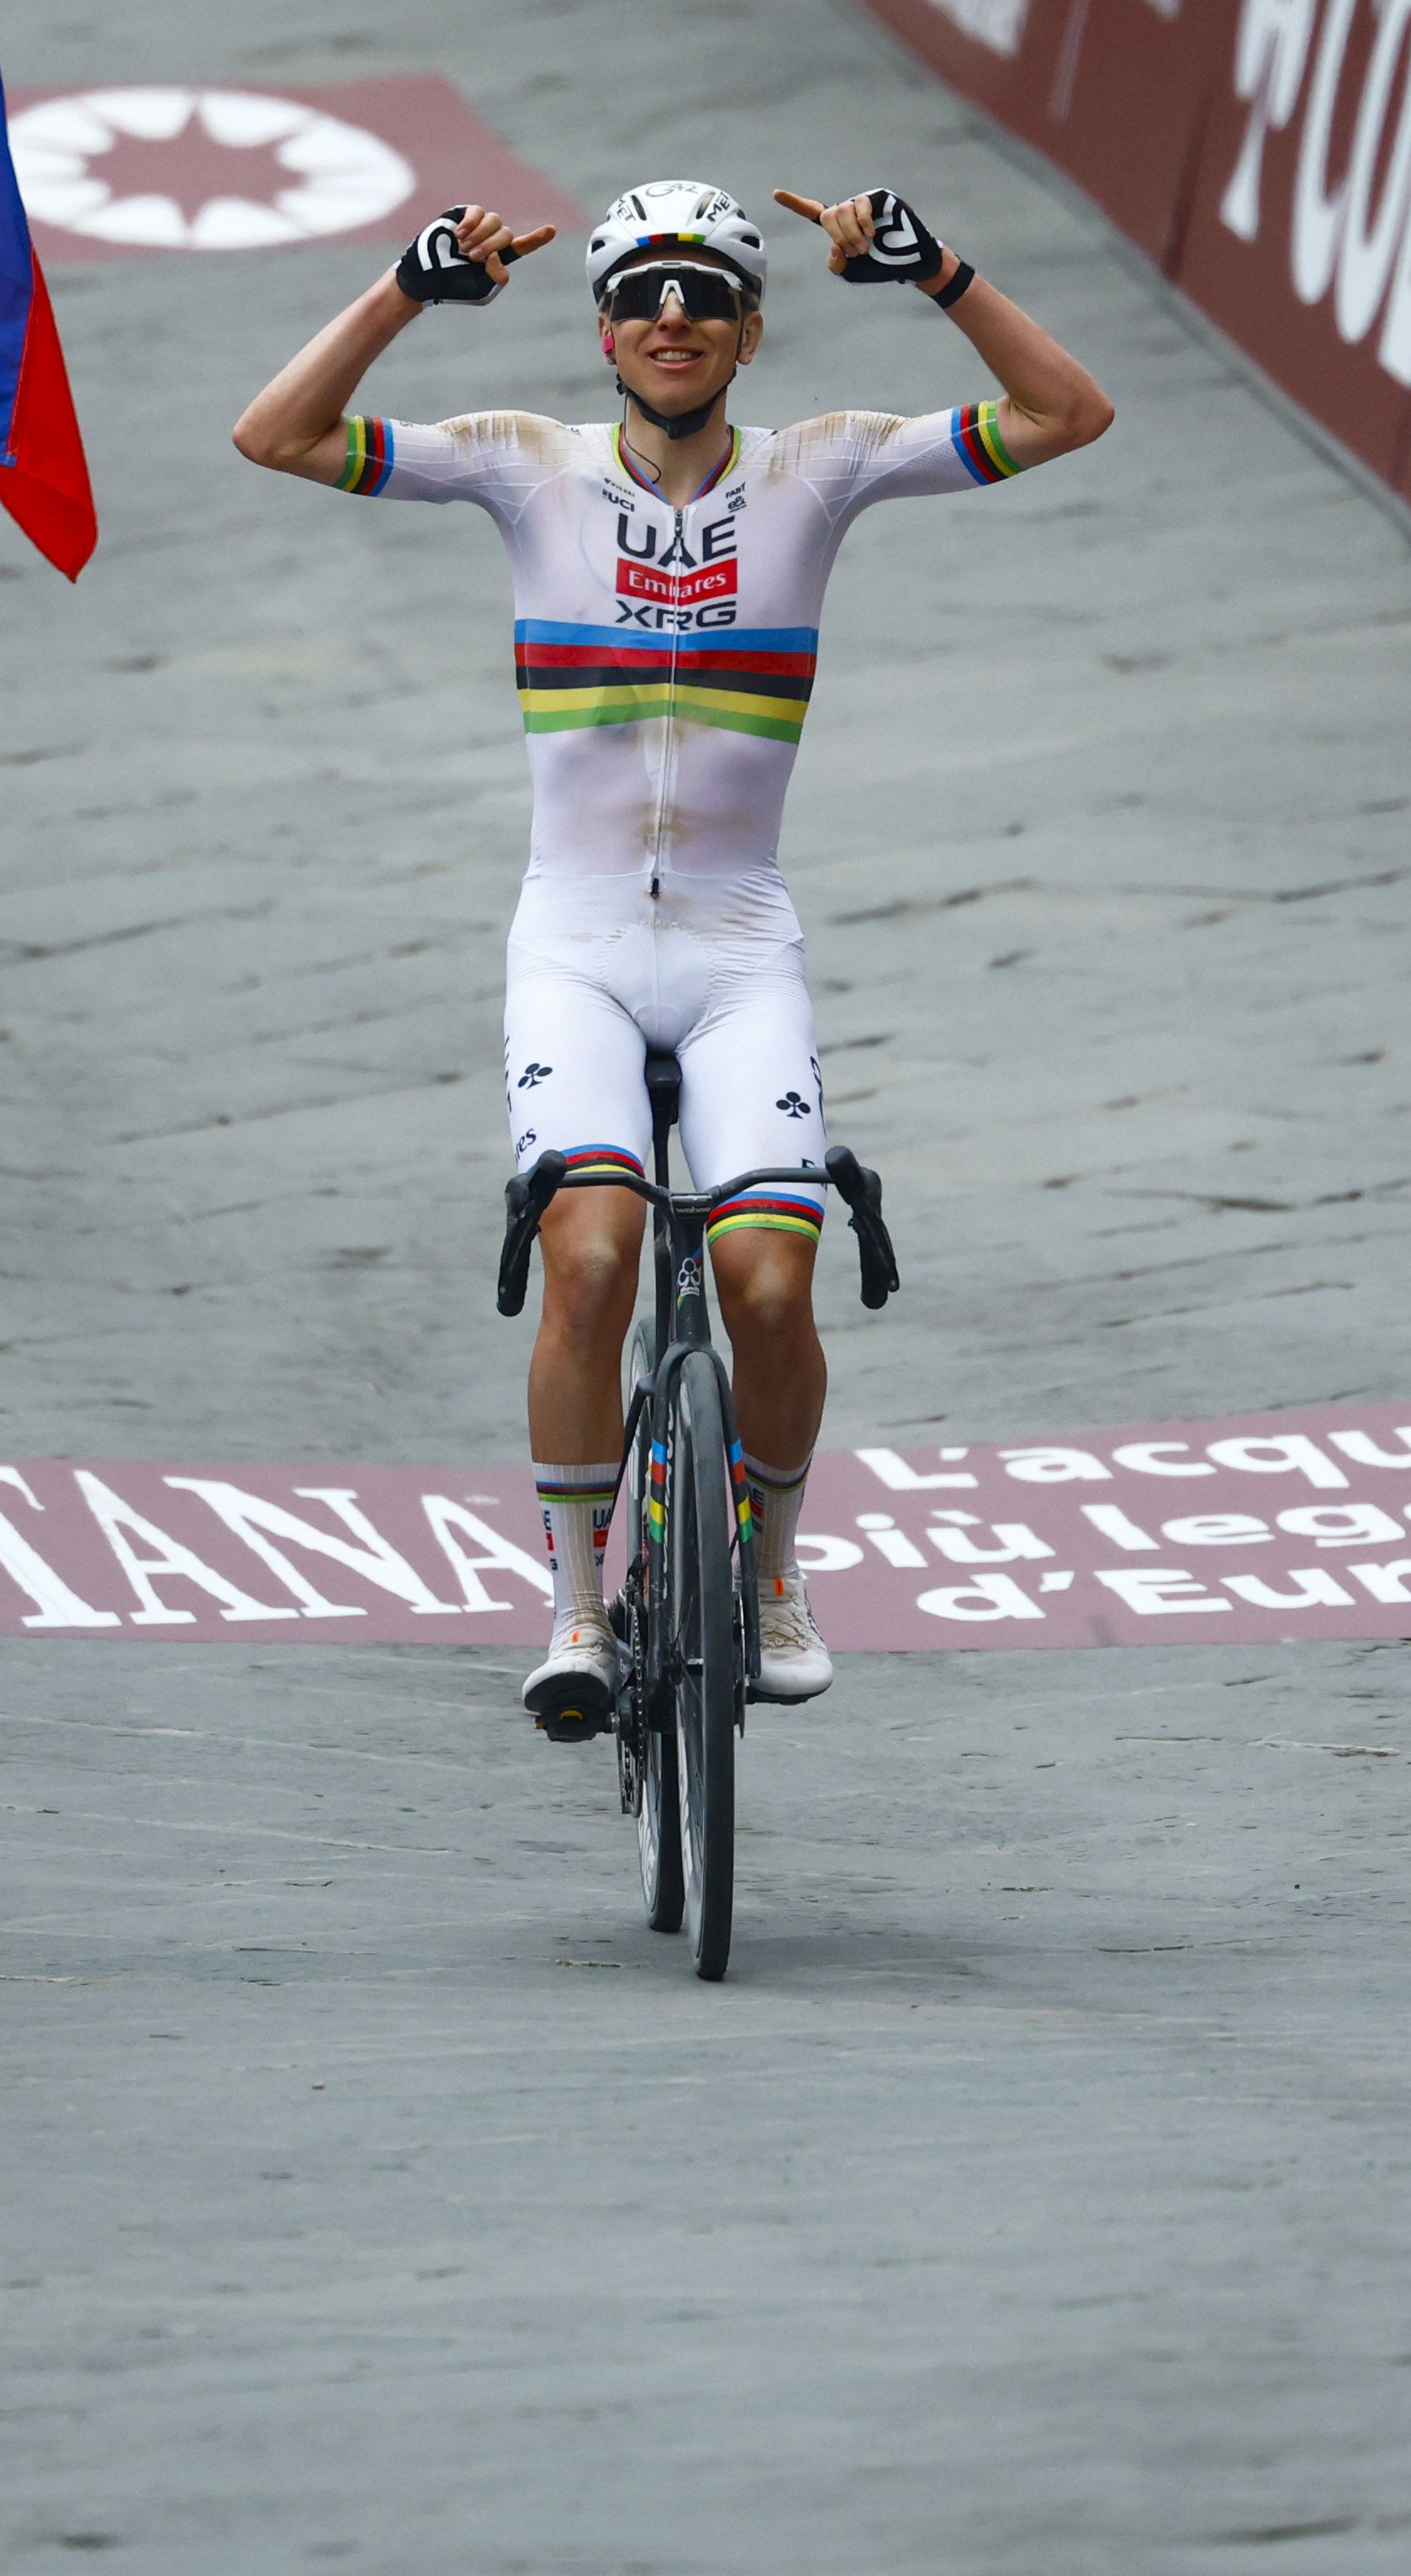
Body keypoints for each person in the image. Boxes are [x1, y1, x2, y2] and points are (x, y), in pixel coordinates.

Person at [234, 182, 1113, 1732]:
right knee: (590, 1258)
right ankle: (576, 1607)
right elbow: (275, 434)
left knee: (774, 1290)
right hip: (574, 944)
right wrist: (405, 289)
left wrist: (938, 270)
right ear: (603, 331)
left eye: (707, 297)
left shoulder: (820, 470)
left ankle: (771, 1574)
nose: (674, 318)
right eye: (644, 294)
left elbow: (1069, 413)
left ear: (751, 332)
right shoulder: (524, 468)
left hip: (733, 945)